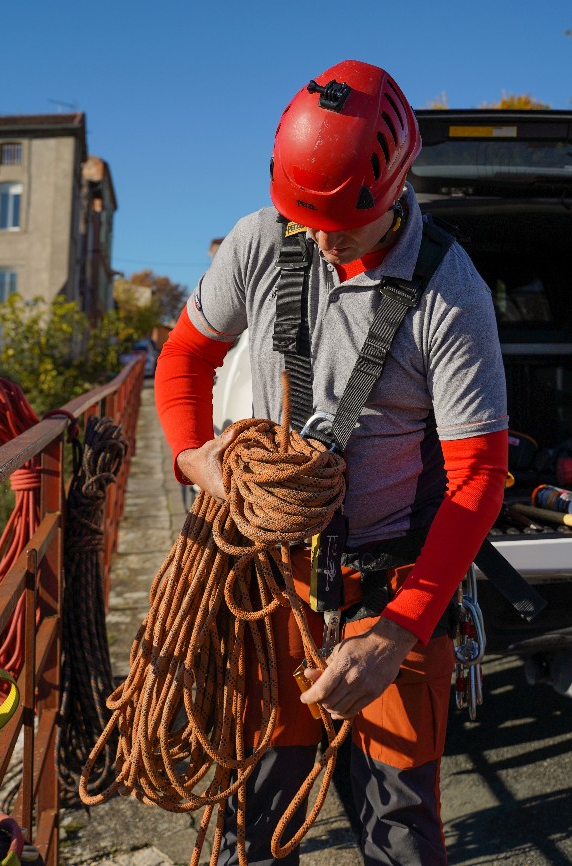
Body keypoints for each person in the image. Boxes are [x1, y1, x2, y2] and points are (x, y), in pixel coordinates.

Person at [154, 59, 508, 866]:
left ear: (393, 187)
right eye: (300, 217)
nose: (317, 239)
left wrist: (395, 633)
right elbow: (182, 363)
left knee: (398, 827)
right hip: (267, 583)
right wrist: (193, 461)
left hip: (389, 585)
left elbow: (478, 478)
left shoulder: (451, 295)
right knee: (264, 807)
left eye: (339, 224)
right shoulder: (258, 240)